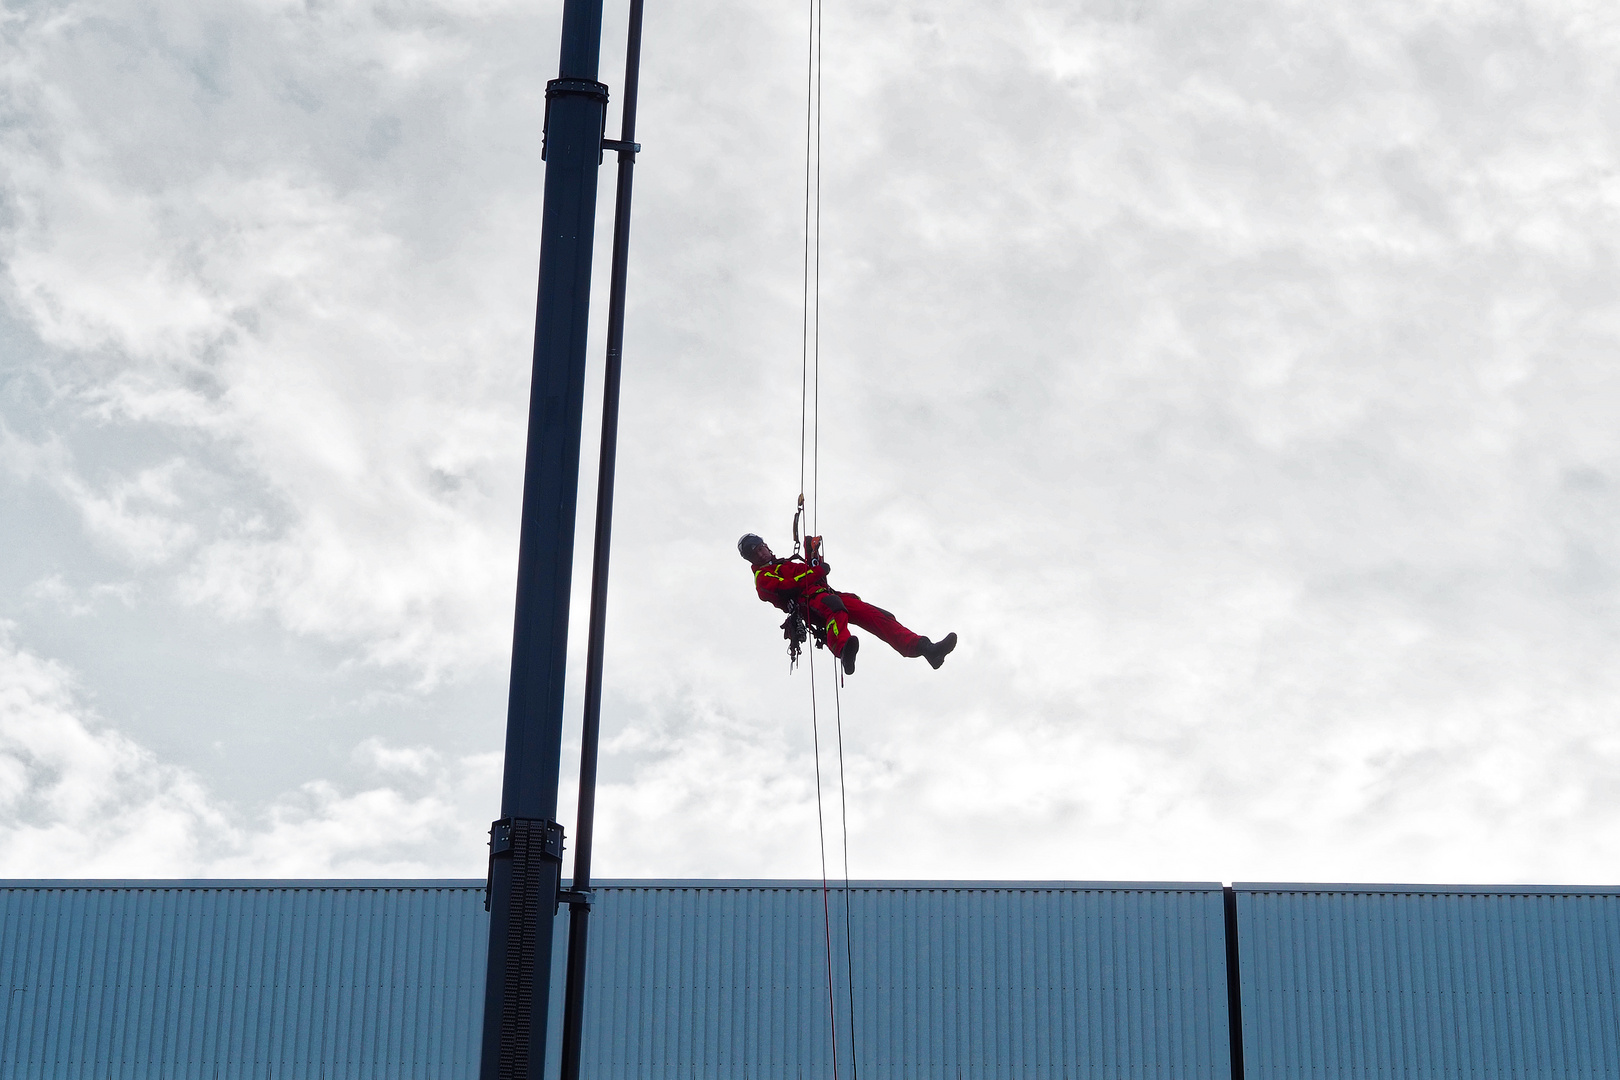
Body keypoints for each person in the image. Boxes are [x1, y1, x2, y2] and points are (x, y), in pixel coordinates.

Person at [738, 532, 957, 675]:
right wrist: (816, 572)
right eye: (755, 552)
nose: (761, 552)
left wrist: (811, 552)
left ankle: (926, 649)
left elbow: (812, 574)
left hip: (826, 593)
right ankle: (843, 650)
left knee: (877, 615)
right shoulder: (763, 577)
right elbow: (789, 587)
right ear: (751, 559)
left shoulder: (786, 563)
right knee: (835, 608)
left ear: (766, 545)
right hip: (808, 602)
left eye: (761, 547)